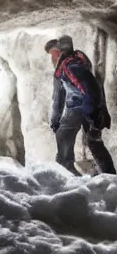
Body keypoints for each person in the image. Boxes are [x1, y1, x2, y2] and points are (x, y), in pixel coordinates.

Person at [46, 36, 114, 176]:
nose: (53, 58)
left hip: (80, 106)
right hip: (88, 106)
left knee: (63, 135)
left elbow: (90, 86)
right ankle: (110, 175)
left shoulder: (69, 65)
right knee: (93, 141)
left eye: (54, 53)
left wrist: (95, 112)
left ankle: (68, 174)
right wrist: (56, 119)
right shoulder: (73, 63)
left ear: (61, 51)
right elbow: (60, 96)